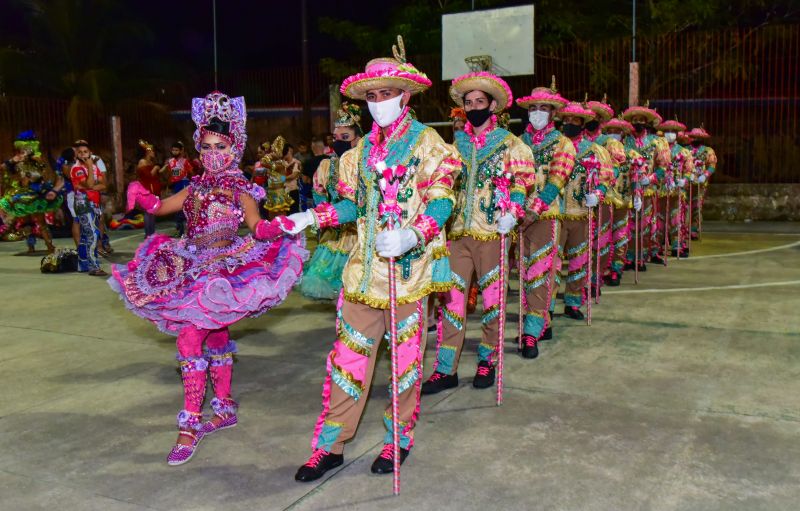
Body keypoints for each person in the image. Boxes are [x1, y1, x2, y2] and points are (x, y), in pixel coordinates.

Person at [282, 37, 459, 481]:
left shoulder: (429, 143)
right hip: (362, 275)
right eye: (372, 96)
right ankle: (331, 445)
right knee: (347, 365)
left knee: (404, 369)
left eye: (387, 94)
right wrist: (311, 216)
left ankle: (398, 439)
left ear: (405, 95)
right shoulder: (357, 155)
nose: (379, 103)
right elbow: (351, 207)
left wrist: (414, 233)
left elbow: (442, 199)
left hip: (409, 275)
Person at [112, 91, 308, 466]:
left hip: (224, 269)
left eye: (220, 145)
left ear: (234, 147)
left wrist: (275, 227)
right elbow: (160, 207)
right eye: (206, 145)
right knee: (215, 335)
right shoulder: (195, 187)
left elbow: (256, 225)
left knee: (190, 338)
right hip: (190, 263)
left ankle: (189, 426)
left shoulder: (241, 189)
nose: (212, 152)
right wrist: (139, 194)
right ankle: (224, 409)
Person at [423, 71, 535, 394]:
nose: (473, 108)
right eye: (468, 103)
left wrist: (512, 212)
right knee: (451, 305)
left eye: (479, 102)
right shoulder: (455, 145)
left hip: (494, 234)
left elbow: (520, 181)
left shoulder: (510, 145)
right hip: (457, 234)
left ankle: (488, 361)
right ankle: (446, 369)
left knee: (493, 304)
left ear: (493, 106)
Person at [513, 78, 574, 352]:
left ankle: (531, 331)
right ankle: (538, 322)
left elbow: (557, 181)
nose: (537, 112)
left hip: (545, 216)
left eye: (543, 108)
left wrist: (534, 209)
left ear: (553, 113)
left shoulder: (563, 144)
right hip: (516, 217)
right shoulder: (517, 142)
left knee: (540, 271)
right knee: (524, 273)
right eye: (533, 107)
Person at [552, 101, 614, 320]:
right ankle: (547, 306)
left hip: (581, 213)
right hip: (555, 214)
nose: (569, 124)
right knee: (552, 263)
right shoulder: (555, 146)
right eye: (566, 120)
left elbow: (606, 178)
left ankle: (573, 302)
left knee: (579, 261)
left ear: (583, 123)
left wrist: (597, 194)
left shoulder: (596, 151)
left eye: (574, 121)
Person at [301, 102, 362, 300]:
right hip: (336, 231)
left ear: (358, 139)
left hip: (361, 231)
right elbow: (318, 193)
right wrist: (325, 215)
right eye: (336, 138)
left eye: (345, 138)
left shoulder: (366, 163)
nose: (339, 142)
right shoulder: (327, 166)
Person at [621, 102, 671, 269]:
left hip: (647, 191)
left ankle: (641, 257)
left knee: (645, 225)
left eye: (641, 120)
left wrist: (651, 178)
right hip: (627, 191)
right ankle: (628, 257)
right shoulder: (624, 140)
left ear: (647, 122)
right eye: (634, 119)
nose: (638, 122)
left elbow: (663, 167)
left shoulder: (657, 142)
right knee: (627, 225)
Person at [0, 131, 63, 253]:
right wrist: (13, 161)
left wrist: (29, 156)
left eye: (28, 145)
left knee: (41, 221)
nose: (25, 148)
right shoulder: (17, 159)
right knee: (26, 221)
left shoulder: (36, 157)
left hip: (35, 194)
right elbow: (2, 168)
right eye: (23, 146)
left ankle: (50, 246)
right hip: (20, 194)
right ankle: (31, 246)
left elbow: (40, 166)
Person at [600, 117, 645, 285]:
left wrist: (637, 194)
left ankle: (616, 270)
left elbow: (636, 176)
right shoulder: (601, 152)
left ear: (623, 134)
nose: (613, 135)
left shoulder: (631, 154)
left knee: (620, 236)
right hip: (604, 201)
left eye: (617, 132)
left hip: (623, 200)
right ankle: (600, 270)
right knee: (602, 236)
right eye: (610, 131)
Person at [70, 142, 107, 275]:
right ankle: (94, 267)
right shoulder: (77, 169)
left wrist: (90, 186)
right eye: (80, 152)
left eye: (86, 152)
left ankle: (83, 264)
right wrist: (91, 167)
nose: (83, 154)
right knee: (93, 234)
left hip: (94, 204)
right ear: (77, 155)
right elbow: (91, 183)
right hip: (84, 204)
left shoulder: (95, 168)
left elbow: (103, 185)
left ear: (90, 153)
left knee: (87, 235)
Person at [658, 120, 693, 257]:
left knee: (676, 218)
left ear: (677, 134)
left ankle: (677, 244)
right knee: (659, 218)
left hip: (677, 191)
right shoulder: (659, 149)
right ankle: (658, 245)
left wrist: (684, 180)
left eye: (672, 132)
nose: (670, 134)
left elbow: (689, 170)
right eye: (667, 132)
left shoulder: (684, 151)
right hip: (660, 189)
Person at [686, 126, 717, 240]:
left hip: (700, 183)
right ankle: (683, 229)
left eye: (698, 137)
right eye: (693, 137)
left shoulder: (708, 151)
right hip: (686, 182)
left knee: (696, 206)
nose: (695, 139)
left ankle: (694, 229)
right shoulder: (685, 150)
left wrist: (705, 175)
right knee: (684, 206)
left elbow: (712, 166)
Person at [164, 141, 195, 236]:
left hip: (184, 184)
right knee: (176, 206)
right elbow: (169, 175)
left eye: (176, 150)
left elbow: (192, 173)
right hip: (175, 185)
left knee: (185, 205)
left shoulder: (185, 162)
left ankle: (189, 228)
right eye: (173, 150)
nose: (174, 152)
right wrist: (168, 186)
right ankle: (179, 228)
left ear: (181, 151)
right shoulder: (169, 162)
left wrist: (193, 183)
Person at [135, 140, 162, 237]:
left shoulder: (151, 162)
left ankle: (152, 233)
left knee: (152, 212)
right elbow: (148, 176)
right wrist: (155, 168)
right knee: (148, 212)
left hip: (153, 189)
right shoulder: (142, 162)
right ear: (147, 152)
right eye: (152, 151)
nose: (154, 153)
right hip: (147, 190)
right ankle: (148, 234)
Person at [262, 136, 294, 218]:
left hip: (278, 194)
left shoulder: (279, 165)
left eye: (274, 151)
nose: (272, 153)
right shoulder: (276, 163)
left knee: (280, 217)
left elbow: (263, 163)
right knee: (272, 217)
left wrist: (268, 155)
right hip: (272, 193)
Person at [283, 143, 302, 213]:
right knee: (287, 213)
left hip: (294, 191)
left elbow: (294, 175)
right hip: (284, 191)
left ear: (289, 152)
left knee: (295, 212)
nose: (283, 156)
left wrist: (281, 178)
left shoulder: (296, 162)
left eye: (284, 154)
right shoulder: (282, 163)